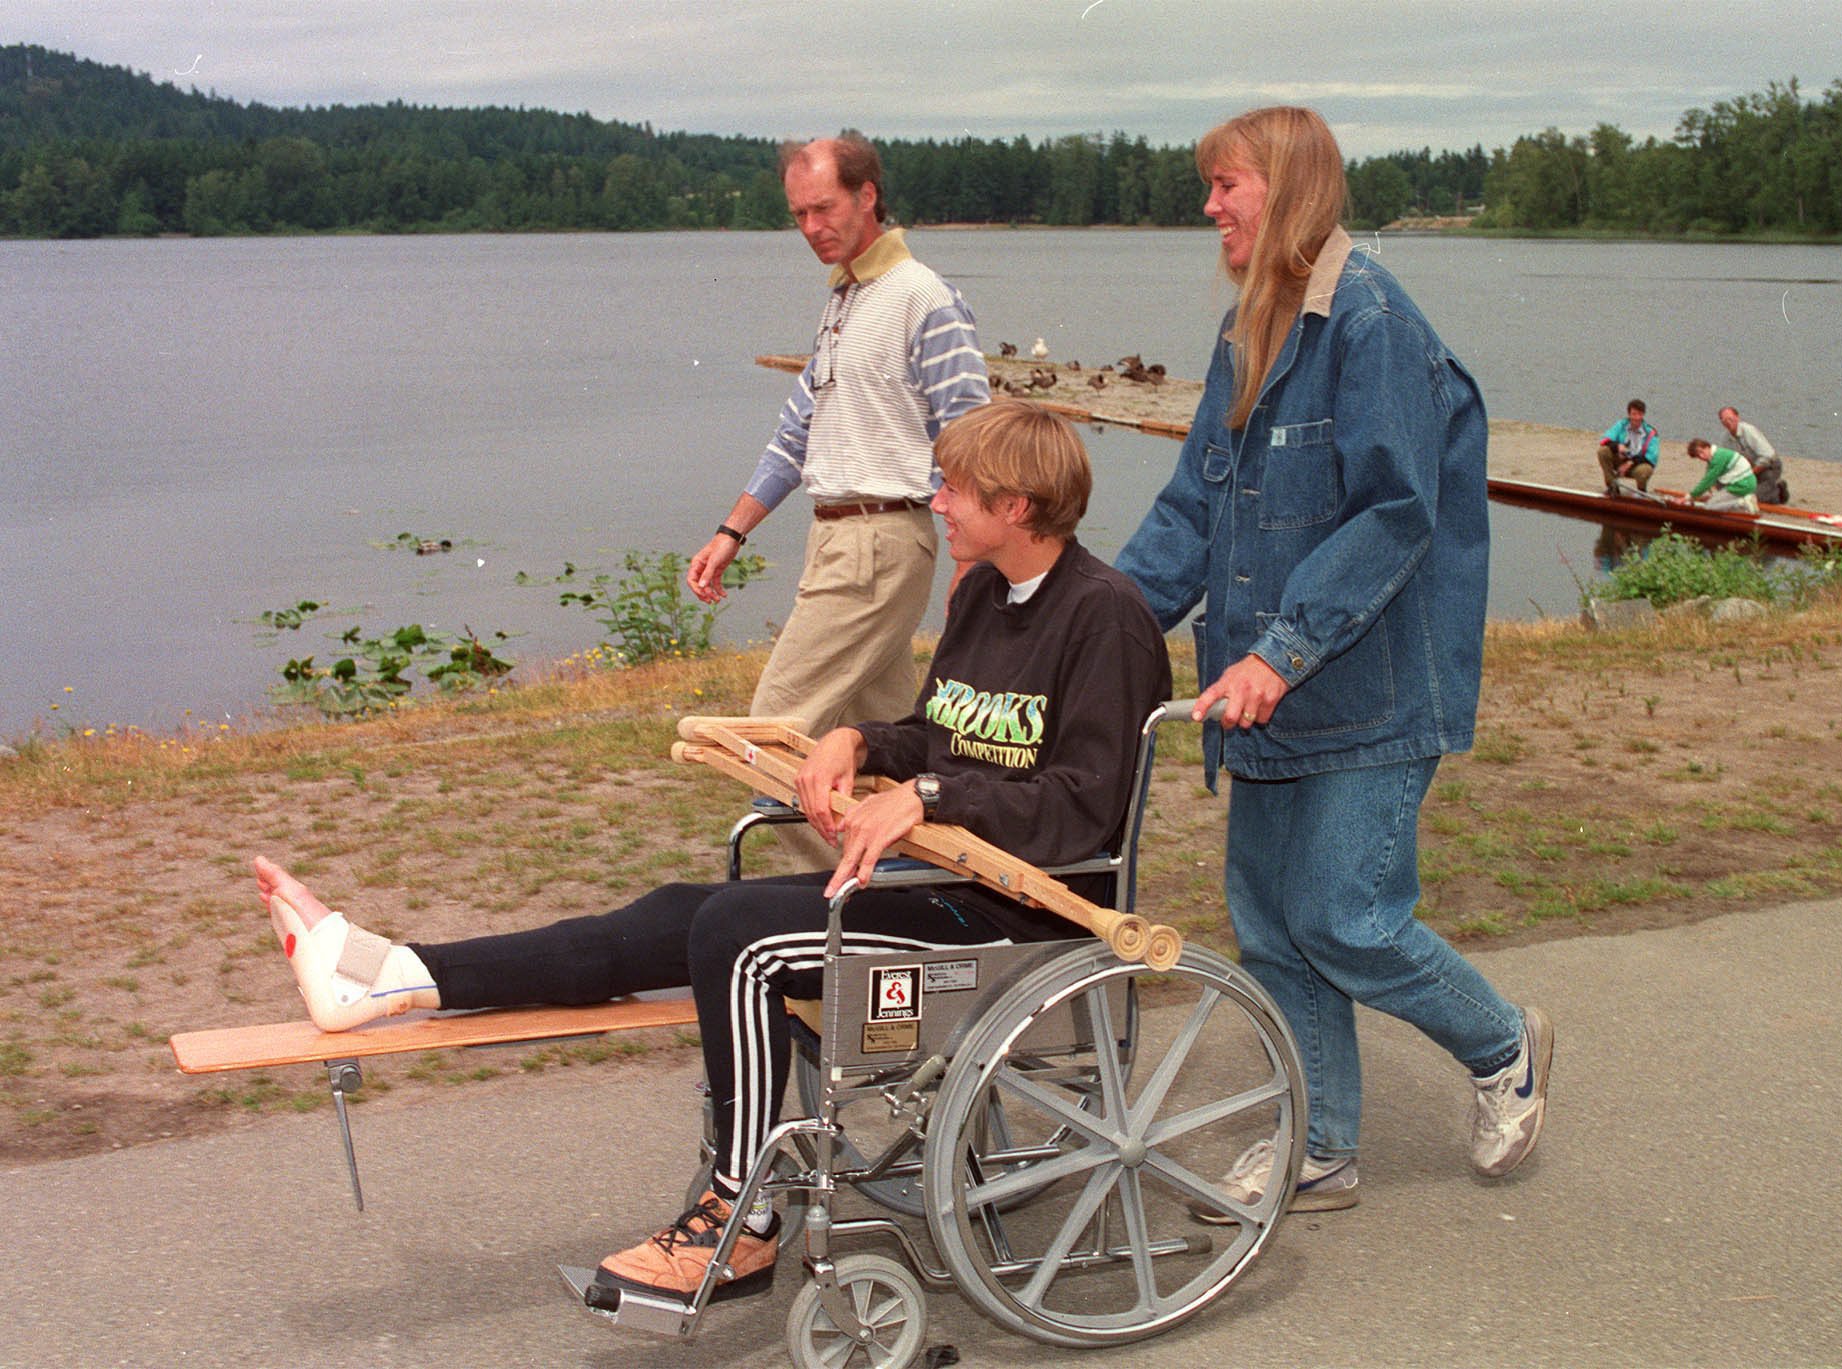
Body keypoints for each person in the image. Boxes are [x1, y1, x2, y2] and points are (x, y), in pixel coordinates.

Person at [256, 398, 1171, 1302]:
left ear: (1017, 508)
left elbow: (1086, 811)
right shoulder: (981, 595)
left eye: (956, 489)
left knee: (740, 931)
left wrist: (927, 795)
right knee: (675, 911)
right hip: (935, 878)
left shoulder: (1106, 618)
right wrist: (857, 741)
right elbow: (942, 736)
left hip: (1013, 918)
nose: (937, 502)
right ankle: (387, 976)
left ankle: (739, 1220)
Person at [1115, 106, 1551, 1218]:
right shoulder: (1245, 332)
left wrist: (1281, 650)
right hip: (1264, 696)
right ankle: (1318, 1144)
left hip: (1369, 684)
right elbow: (1189, 511)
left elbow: (1395, 513)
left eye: (1225, 184)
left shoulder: (1371, 323)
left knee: (1345, 916)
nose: (1207, 206)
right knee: (1270, 924)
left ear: (1290, 187)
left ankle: (1503, 1044)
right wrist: (1099, 623)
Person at [684, 136, 991, 864]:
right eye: (799, 214)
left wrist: (973, 561)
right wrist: (733, 530)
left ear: (868, 196)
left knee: (769, 738)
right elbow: (797, 433)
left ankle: (845, 902)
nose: (812, 226)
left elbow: (974, 440)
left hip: (881, 540)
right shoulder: (844, 302)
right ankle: (921, 902)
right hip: (843, 540)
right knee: (881, 746)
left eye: (824, 207)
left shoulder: (922, 297)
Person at [1719, 406, 1787, 504]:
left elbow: (1768, 456)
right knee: (1733, 494)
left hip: (1769, 467)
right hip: (1749, 470)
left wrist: (1749, 473)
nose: (1728, 422)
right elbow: (1724, 462)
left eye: (1730, 418)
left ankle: (1778, 490)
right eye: (1724, 420)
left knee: (1752, 499)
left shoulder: (1749, 431)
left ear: (1737, 417)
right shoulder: (1725, 439)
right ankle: (1767, 489)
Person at [1681, 438, 1761, 514]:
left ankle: (1742, 503)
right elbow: (1710, 482)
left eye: (1702, 452)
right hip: (1746, 482)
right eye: (1698, 456)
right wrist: (1713, 495)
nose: (1701, 457)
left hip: (1742, 485)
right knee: (1715, 500)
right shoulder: (1717, 454)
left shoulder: (1718, 458)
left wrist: (1688, 497)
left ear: (1707, 447)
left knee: (1709, 507)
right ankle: (1745, 504)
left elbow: (1707, 481)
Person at [1597, 399, 1660, 494]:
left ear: (1643, 415)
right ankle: (1612, 487)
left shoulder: (1651, 433)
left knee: (1645, 470)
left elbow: (1651, 457)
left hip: (1637, 465)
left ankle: (1641, 492)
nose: (1636, 417)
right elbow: (1605, 440)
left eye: (1639, 414)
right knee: (1603, 451)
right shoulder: (1621, 425)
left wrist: (1630, 463)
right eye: (1634, 414)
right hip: (1620, 460)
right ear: (1629, 414)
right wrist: (1617, 446)